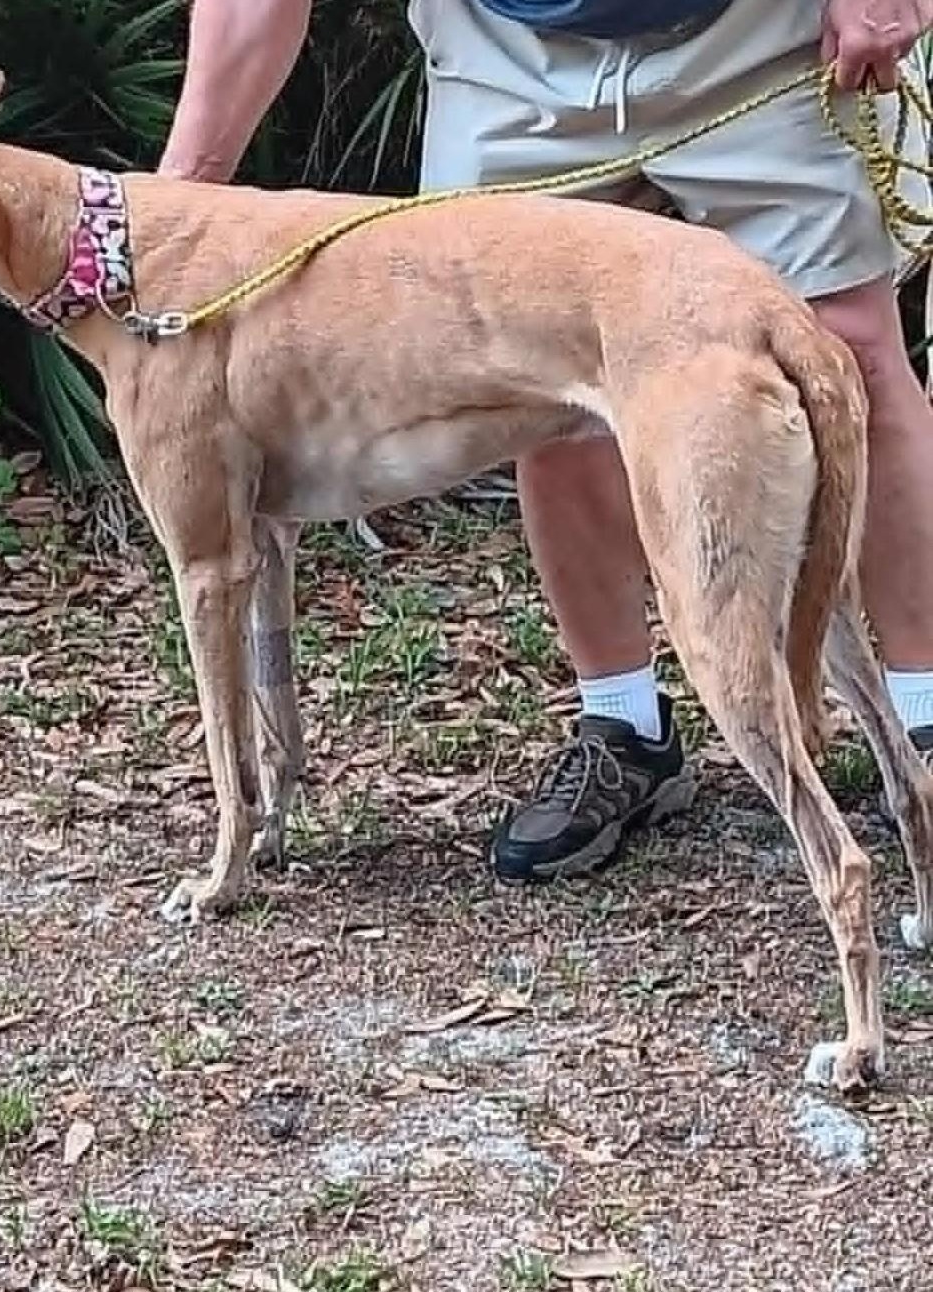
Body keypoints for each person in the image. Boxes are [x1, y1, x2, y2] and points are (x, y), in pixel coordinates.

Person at [157, 0, 933, 883]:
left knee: (850, 353)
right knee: (532, 373)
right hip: (510, 54)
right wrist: (172, 213)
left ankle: (925, 714)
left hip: (758, 35)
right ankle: (624, 725)